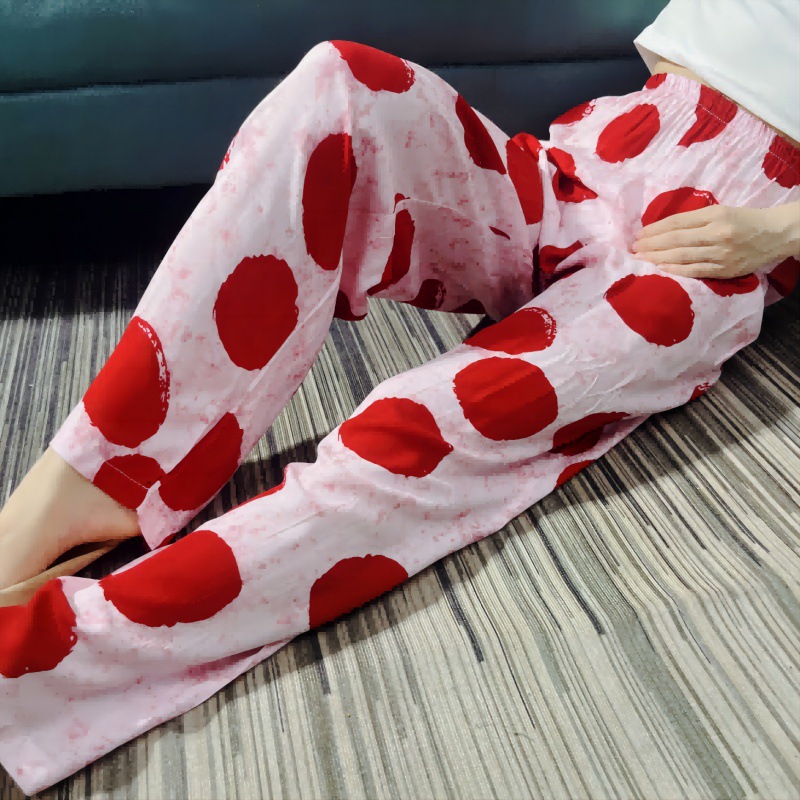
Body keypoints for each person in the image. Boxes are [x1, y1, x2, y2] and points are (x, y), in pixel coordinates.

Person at [1, 0, 798, 792]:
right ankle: (76, 497)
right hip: (598, 152)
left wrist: (778, 234)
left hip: (718, 238)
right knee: (340, 85)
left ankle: (41, 663)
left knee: (423, 428)